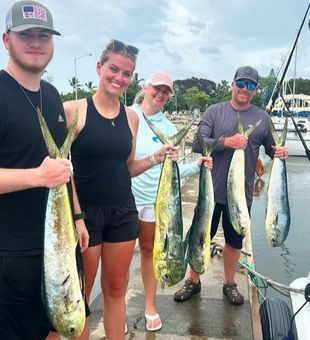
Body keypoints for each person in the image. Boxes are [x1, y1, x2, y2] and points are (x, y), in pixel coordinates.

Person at [63, 42, 178, 340]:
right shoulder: (75, 111)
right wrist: (76, 216)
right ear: (99, 68)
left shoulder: (132, 118)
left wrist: (156, 157)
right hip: (85, 215)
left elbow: (125, 168)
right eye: (113, 69)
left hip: (123, 214)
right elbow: (64, 172)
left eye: (127, 73)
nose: (119, 77)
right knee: (81, 296)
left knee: (116, 291)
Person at [0, 1, 89, 340]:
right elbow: (48, 172)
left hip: (61, 241)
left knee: (60, 327)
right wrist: (38, 176)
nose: (35, 42)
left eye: (43, 35)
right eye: (26, 35)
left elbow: (64, 168)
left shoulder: (52, 96)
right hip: (12, 253)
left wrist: (78, 216)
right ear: (7, 40)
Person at [174, 66, 289, 305]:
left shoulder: (263, 118)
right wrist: (228, 142)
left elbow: (270, 149)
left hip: (240, 195)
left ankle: (229, 283)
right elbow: (198, 143)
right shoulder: (214, 112)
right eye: (241, 83)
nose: (244, 89)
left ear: (256, 90)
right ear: (232, 84)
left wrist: (280, 152)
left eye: (250, 85)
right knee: (199, 237)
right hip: (211, 192)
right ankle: (193, 281)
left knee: (234, 242)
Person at [130, 71, 213, 331]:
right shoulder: (127, 116)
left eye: (166, 91)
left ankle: (150, 306)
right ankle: (115, 307)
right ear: (146, 87)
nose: (161, 94)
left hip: (156, 202)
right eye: (158, 88)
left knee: (148, 252)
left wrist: (197, 165)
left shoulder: (168, 128)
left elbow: (177, 171)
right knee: (116, 257)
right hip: (123, 199)